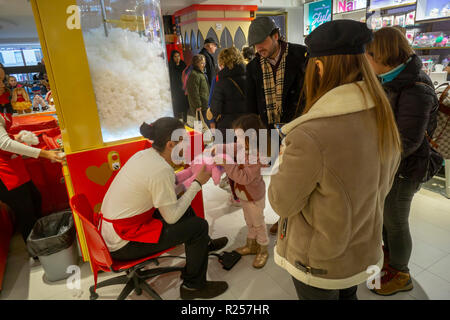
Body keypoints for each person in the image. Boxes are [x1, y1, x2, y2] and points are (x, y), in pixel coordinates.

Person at [268, 20, 402, 300]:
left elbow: (282, 202)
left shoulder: (309, 134)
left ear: (319, 67)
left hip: (319, 261)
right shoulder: (383, 115)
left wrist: (283, 161)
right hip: (361, 248)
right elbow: (384, 185)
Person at [99, 117, 229, 300]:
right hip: (123, 242)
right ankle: (193, 286)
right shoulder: (161, 170)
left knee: (184, 207)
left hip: (110, 233)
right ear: (170, 144)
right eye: (184, 140)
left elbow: (166, 191)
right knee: (198, 226)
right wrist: (197, 182)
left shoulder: (143, 155)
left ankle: (203, 246)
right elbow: (172, 217)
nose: (187, 145)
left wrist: (190, 177)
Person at [365, 27, 441, 296]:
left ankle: (401, 273)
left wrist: (373, 158)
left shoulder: (416, 87)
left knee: (396, 221)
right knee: (386, 219)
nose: (366, 62)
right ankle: (390, 262)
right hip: (391, 165)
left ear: (382, 56)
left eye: (369, 56)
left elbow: (407, 141)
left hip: (406, 168)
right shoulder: (392, 80)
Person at [246, 16, 308, 235]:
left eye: (261, 43)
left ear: (275, 36)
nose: (258, 49)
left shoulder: (302, 56)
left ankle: (299, 219)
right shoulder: (254, 66)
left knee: (301, 176)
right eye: (255, 45)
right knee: (279, 176)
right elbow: (252, 102)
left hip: (299, 128)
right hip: (270, 131)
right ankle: (285, 217)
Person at [0, 95, 64, 248]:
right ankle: (38, 251)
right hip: (5, 173)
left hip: (14, 166)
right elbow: (4, 143)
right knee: (26, 212)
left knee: (35, 199)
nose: (2, 86)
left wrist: (17, 138)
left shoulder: (4, 106)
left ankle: (41, 243)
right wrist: (45, 153)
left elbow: (5, 139)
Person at [215, 114, 270, 268]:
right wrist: (218, 147)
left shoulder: (256, 155)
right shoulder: (243, 145)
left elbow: (244, 178)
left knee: (258, 223)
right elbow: (233, 146)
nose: (237, 141)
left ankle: (263, 248)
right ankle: (251, 245)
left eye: (239, 137)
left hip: (254, 197)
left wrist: (227, 164)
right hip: (244, 195)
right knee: (249, 221)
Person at [209, 47, 252, 134]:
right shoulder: (250, 77)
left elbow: (215, 109)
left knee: (228, 148)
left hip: (228, 128)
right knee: (246, 147)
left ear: (222, 62)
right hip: (247, 125)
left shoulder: (221, 81)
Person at [186, 55, 209, 125]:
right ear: (196, 63)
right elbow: (193, 92)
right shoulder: (194, 75)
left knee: (204, 127)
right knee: (200, 127)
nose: (204, 65)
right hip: (200, 108)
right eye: (201, 63)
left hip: (204, 105)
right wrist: (197, 106)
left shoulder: (200, 73)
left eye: (204, 63)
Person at [168, 50, 189, 122]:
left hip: (183, 88)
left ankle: (185, 121)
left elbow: (187, 76)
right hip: (175, 89)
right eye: (175, 57)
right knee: (176, 106)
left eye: (178, 56)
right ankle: (176, 121)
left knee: (185, 105)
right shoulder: (170, 66)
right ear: (172, 57)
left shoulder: (183, 65)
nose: (177, 58)